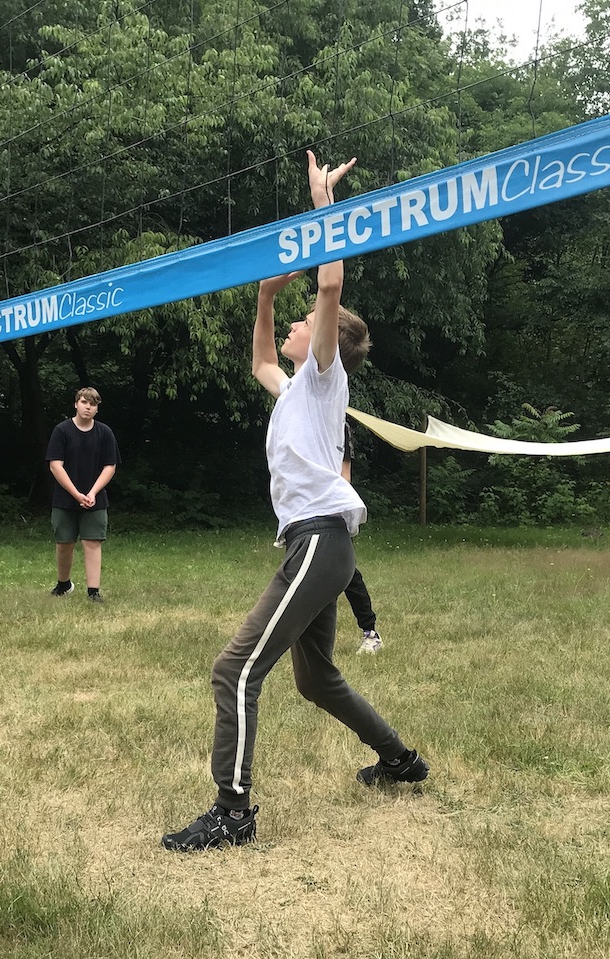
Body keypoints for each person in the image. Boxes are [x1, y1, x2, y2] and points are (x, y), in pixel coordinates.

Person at [162, 152, 427, 852]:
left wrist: (321, 205)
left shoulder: (324, 375)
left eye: (305, 320)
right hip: (319, 545)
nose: (293, 330)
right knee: (316, 680)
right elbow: (258, 364)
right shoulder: (296, 390)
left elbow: (333, 278)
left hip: (318, 542)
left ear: (326, 339)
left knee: (235, 670)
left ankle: (233, 811)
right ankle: (399, 759)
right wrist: (265, 299)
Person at [46, 387, 119, 603]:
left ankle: (93, 592)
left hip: (95, 499)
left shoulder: (105, 433)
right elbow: (55, 466)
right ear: (76, 404)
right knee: (64, 543)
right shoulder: (61, 431)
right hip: (65, 498)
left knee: (92, 542)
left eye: (93, 404)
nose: (88, 407)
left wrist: (92, 492)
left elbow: (110, 466)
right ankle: (63, 585)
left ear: (97, 409)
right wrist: (77, 494)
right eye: (84, 402)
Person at [341, 421, 382, 654]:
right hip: (305, 511)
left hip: (334, 510)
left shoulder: (339, 425)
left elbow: (344, 476)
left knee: (347, 574)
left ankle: (371, 633)